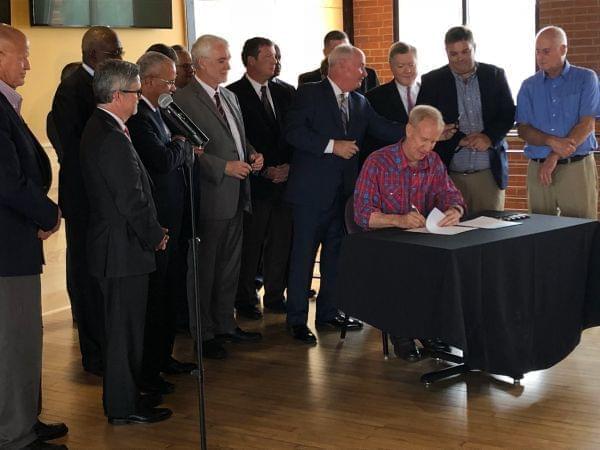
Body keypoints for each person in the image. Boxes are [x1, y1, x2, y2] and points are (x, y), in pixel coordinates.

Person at [285, 44, 404, 344]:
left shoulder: (360, 102)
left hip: (345, 196)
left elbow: (385, 129)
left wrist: (419, 131)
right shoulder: (309, 93)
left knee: (336, 258)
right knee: (303, 258)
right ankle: (296, 320)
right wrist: (331, 145)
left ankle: (328, 313)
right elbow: (293, 132)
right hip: (310, 195)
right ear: (339, 66)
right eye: (360, 67)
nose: (365, 73)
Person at [80, 59, 171, 425]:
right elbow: (130, 198)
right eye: (134, 93)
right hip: (121, 250)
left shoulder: (105, 127)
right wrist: (155, 235)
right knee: (124, 334)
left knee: (126, 330)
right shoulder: (109, 135)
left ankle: (129, 398)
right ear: (117, 95)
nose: (139, 100)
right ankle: (123, 406)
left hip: (119, 248)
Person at [173, 35, 264, 359]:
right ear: (200, 64)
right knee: (204, 269)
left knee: (229, 266)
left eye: (227, 59)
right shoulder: (181, 99)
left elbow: (237, 137)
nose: (229, 65)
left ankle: (226, 323)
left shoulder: (229, 96)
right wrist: (223, 167)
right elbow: (186, 150)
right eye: (221, 60)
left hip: (238, 194)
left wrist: (252, 154)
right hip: (209, 196)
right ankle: (204, 332)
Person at [0, 24, 68, 449]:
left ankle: (26, 417)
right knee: (14, 343)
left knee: (24, 340)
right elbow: (7, 180)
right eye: (21, 54)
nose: (28, 63)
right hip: (7, 248)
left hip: (16, 241)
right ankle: (16, 434)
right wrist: (48, 211)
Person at [354, 105, 466, 360]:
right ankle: (400, 331)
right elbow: (362, 214)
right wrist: (399, 220)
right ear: (408, 130)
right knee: (402, 266)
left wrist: (455, 208)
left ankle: (433, 329)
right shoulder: (378, 162)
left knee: (449, 263)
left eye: (434, 141)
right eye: (423, 139)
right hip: (383, 241)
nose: (427, 148)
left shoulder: (433, 161)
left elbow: (450, 193)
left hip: (421, 238)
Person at [51, 26, 124, 376]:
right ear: (94, 55)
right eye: (116, 53)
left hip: (106, 202)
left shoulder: (103, 86)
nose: (122, 60)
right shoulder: (72, 91)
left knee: (107, 279)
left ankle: (113, 347)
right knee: (88, 278)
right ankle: (95, 355)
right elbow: (77, 152)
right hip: (86, 202)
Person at [127, 51, 198, 396]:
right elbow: (160, 159)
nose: (173, 86)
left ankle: (164, 356)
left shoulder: (162, 112)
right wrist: (181, 147)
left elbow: (173, 150)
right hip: (159, 220)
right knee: (156, 299)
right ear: (149, 82)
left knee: (170, 294)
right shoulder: (140, 117)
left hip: (176, 215)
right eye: (169, 80)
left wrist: (178, 145)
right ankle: (149, 368)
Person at [228, 37, 295, 320]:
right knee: (251, 244)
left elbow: (295, 133)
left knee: (281, 242)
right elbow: (236, 140)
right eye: (269, 57)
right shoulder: (232, 94)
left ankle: (276, 295)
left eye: (277, 57)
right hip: (253, 182)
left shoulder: (287, 92)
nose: (276, 62)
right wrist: (263, 168)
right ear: (251, 60)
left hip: (286, 180)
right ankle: (245, 299)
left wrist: (289, 166)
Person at [418, 26, 515, 213]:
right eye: (453, 54)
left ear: (474, 48)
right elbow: (424, 122)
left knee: (490, 235)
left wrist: (488, 137)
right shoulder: (432, 81)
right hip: (448, 175)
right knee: (452, 233)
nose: (460, 58)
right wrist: (457, 139)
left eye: (465, 51)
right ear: (446, 52)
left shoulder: (495, 75)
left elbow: (508, 114)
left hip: (488, 174)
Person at [516, 26, 599, 219]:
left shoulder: (586, 79)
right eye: (537, 51)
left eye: (546, 51)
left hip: (575, 168)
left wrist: (554, 156)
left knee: (581, 232)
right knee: (539, 232)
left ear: (563, 49)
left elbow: (586, 124)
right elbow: (523, 129)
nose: (540, 57)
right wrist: (551, 141)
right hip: (538, 169)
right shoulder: (528, 86)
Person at [364, 41, 419, 165]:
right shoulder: (373, 98)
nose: (408, 70)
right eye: (401, 66)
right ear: (391, 66)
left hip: (425, 170)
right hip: (389, 169)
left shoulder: (430, 92)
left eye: (411, 64)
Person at [298, 30, 379, 94]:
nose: (343, 56)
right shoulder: (308, 80)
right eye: (337, 51)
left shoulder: (369, 75)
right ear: (325, 53)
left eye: (346, 50)